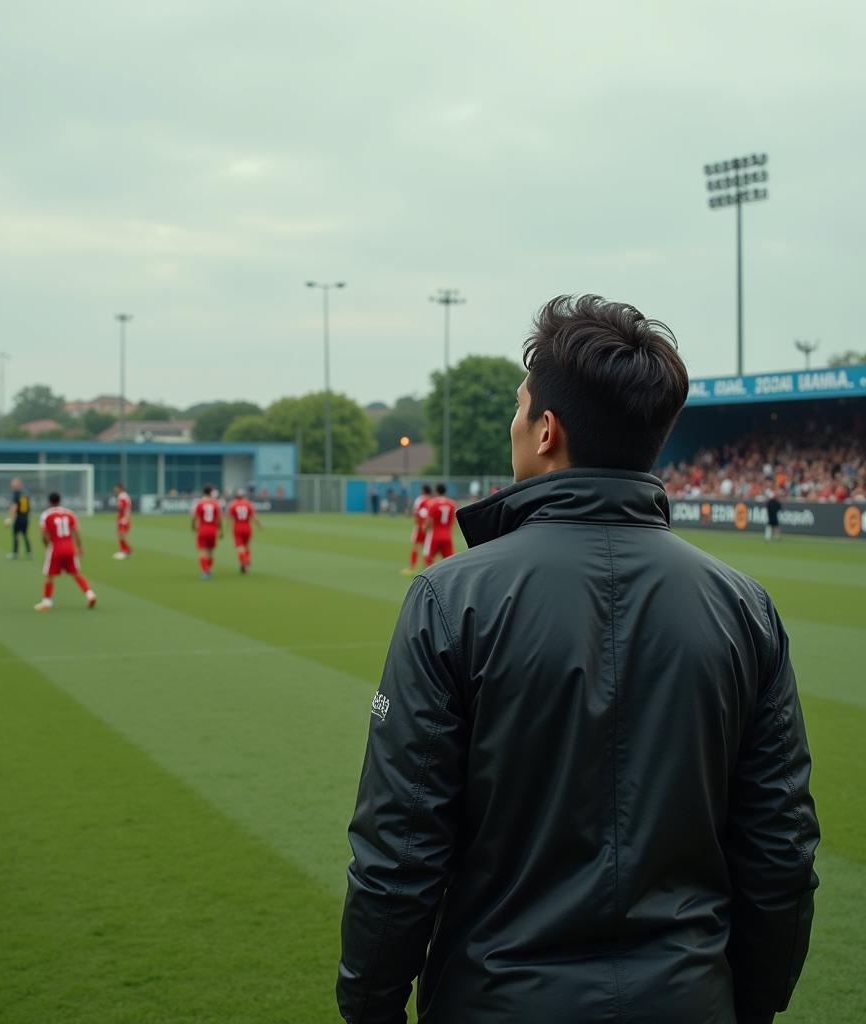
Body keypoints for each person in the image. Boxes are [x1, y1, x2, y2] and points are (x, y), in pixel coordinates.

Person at [338, 295, 818, 1024]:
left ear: (547, 431)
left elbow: (400, 852)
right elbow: (780, 853)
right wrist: (741, 1004)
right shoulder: (744, 606)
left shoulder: (450, 598)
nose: (514, 424)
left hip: (495, 1000)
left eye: (519, 408)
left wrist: (370, 1009)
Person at [34, 493, 96, 611]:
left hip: (55, 548)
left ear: (49, 502)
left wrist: (47, 546)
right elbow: (76, 532)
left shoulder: (46, 515)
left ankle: (46, 602)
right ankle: (90, 594)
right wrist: (80, 547)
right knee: (76, 573)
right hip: (70, 547)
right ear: (60, 501)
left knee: (49, 576)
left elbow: (44, 534)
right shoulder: (69, 513)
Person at [191, 485, 223, 580]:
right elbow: (219, 518)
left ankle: (205, 571)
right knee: (210, 551)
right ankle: (209, 569)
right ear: (211, 492)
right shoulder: (215, 503)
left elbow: (195, 517)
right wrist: (220, 530)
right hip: (213, 529)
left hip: (203, 528)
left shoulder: (199, 503)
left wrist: (193, 526)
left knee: (203, 551)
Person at [226, 488, 262, 574]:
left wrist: (227, 527)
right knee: (247, 546)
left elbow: (229, 517)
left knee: (239, 547)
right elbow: (254, 517)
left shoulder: (233, 504)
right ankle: (247, 561)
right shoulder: (248, 504)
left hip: (237, 526)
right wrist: (259, 526)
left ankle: (244, 562)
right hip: (247, 526)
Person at [422, 482, 456, 566]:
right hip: (447, 535)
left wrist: (424, 528)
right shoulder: (451, 503)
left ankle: (431, 578)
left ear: (436, 491)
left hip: (435, 535)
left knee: (428, 559)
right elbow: (453, 521)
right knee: (449, 561)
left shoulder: (433, 503)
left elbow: (429, 521)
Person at [401, 483, 432, 576]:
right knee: (427, 548)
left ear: (423, 490)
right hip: (429, 527)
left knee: (416, 546)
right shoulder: (432, 500)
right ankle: (427, 569)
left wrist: (417, 523)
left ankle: (411, 568)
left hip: (420, 526)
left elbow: (417, 512)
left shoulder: (420, 499)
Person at [5, 478, 32, 559]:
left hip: (19, 517)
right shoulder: (25, 494)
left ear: (18, 484)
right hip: (26, 517)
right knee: (25, 535)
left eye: (14, 483)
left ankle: (15, 553)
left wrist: (9, 518)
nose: (12, 485)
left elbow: (14, 506)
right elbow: (28, 507)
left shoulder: (16, 493)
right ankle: (29, 553)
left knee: (15, 534)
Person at [112, 483, 132, 559]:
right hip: (123, 518)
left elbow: (123, 507)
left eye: (116, 488)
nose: (114, 490)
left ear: (120, 488)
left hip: (123, 519)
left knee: (121, 535)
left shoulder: (122, 496)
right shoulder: (123, 496)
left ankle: (125, 550)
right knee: (120, 535)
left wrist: (124, 518)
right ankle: (125, 550)